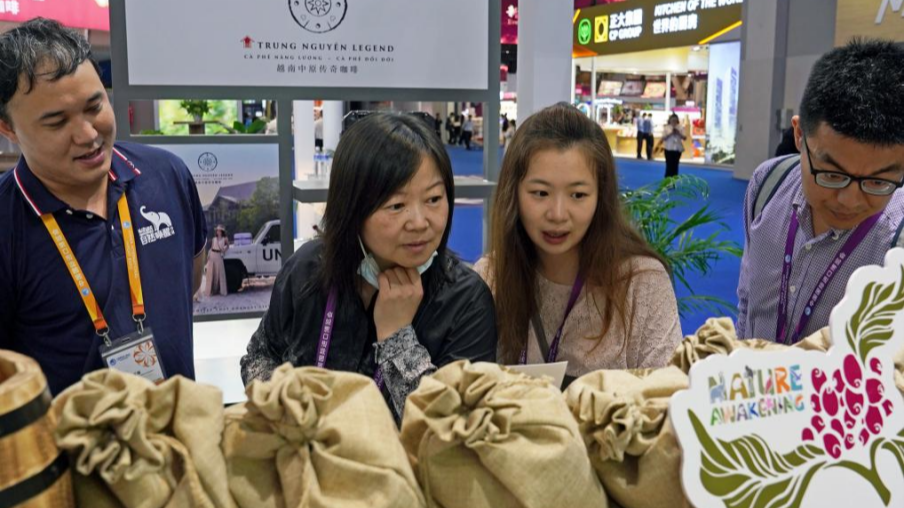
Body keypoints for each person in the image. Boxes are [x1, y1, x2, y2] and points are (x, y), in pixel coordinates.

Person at [240, 112, 498, 420]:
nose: (419, 222)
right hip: (305, 461)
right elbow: (259, 355)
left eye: (433, 199)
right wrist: (292, 409)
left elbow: (452, 431)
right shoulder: (309, 269)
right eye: (396, 205)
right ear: (351, 208)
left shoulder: (466, 301)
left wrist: (397, 337)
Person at [0, 19, 208, 395]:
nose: (88, 135)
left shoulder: (166, 175)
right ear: (8, 129)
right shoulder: (6, 221)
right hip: (72, 450)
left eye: (95, 106)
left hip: (176, 438)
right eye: (57, 122)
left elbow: (190, 278)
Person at [474, 103, 682, 385]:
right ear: (514, 194)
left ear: (601, 197)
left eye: (578, 195)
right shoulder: (491, 276)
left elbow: (666, 398)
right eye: (541, 193)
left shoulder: (641, 282)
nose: (558, 214)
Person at [737, 39, 904, 344]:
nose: (849, 200)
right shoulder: (767, 185)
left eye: (877, 182)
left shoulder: (898, 241)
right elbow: (749, 303)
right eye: (831, 174)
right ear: (799, 135)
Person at [205, 225, 229, 297]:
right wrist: (208, 255)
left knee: (220, 273)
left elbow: (228, 245)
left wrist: (224, 250)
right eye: (217, 230)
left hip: (219, 255)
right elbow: (212, 247)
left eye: (219, 230)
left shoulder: (225, 239)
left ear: (221, 231)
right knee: (211, 272)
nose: (218, 231)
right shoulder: (214, 239)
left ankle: (222, 290)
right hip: (212, 254)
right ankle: (211, 290)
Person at [661, 113, 687, 178]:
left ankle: (674, 181)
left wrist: (678, 133)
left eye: (675, 120)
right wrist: (671, 133)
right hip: (668, 149)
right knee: (669, 166)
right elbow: (663, 138)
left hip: (677, 149)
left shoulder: (681, 127)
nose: (674, 122)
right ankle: (667, 182)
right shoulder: (666, 128)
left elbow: (684, 138)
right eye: (672, 120)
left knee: (675, 166)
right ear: (670, 120)